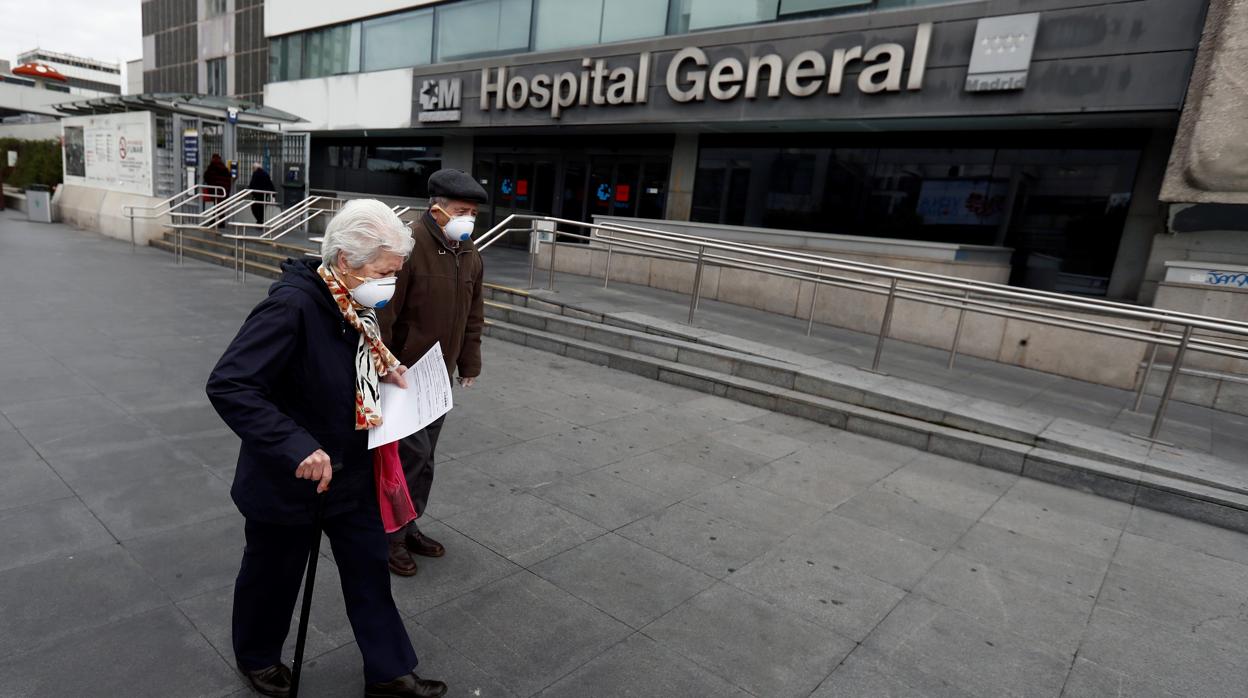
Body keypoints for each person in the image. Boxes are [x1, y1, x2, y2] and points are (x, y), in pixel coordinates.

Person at [207, 199, 447, 698]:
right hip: (292, 477)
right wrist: (296, 445)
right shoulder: (291, 306)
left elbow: (349, 360)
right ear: (344, 261)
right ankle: (257, 656)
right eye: (384, 273)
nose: (390, 284)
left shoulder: (354, 304)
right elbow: (231, 384)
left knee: (368, 571)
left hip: (351, 471)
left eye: (395, 274)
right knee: (273, 577)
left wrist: (386, 370)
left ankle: (388, 672)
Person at [378, 169, 486, 576]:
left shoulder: (470, 253)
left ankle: (408, 526)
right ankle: (388, 537)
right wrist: (386, 364)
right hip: (404, 373)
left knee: (425, 460)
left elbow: (474, 314)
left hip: (438, 377)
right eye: (462, 211)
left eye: (473, 213)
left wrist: (469, 363)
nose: (468, 220)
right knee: (408, 457)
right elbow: (384, 313)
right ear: (436, 208)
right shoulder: (408, 247)